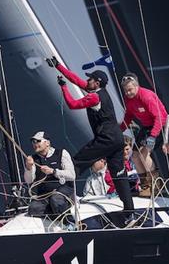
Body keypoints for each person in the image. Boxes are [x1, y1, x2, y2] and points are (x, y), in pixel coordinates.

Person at [49, 56, 135, 212]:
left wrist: (63, 87)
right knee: (118, 175)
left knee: (75, 163)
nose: (86, 81)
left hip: (106, 139)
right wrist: (58, 66)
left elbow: (72, 104)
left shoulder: (95, 97)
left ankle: (62, 197)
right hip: (117, 139)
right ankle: (130, 212)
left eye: (90, 80)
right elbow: (75, 79)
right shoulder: (98, 91)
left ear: (97, 83)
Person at [119, 73, 168, 182]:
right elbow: (129, 115)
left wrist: (153, 136)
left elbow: (159, 117)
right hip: (146, 127)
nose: (128, 93)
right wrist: (120, 129)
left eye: (130, 90)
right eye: (125, 91)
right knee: (135, 156)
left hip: (160, 125)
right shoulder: (128, 98)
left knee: (144, 154)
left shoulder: (146, 96)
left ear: (137, 86)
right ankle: (146, 185)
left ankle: (155, 183)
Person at [24, 131, 76, 217]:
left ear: (47, 143)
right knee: (33, 208)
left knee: (56, 199)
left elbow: (72, 175)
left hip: (63, 192)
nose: (35, 144)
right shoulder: (33, 159)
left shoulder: (61, 153)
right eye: (33, 142)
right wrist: (28, 167)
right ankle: (55, 220)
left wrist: (53, 171)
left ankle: (68, 223)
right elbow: (29, 180)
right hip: (44, 195)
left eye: (38, 141)